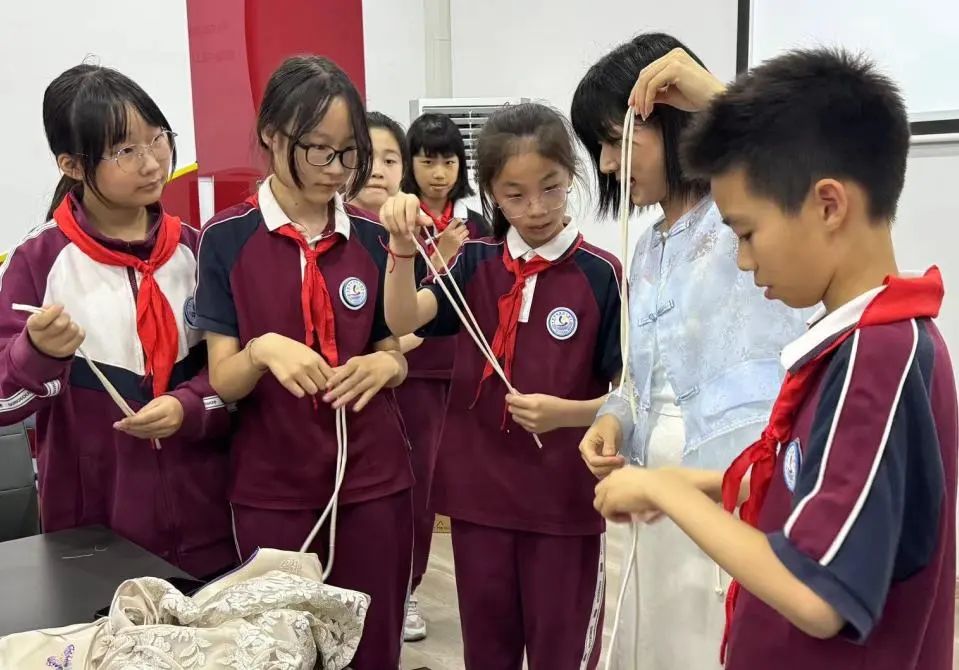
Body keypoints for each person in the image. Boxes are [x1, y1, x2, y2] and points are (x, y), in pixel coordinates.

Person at [594, 47, 956, 670]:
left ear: (828, 205)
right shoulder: (862, 340)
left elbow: (817, 592)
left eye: (745, 233)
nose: (742, 259)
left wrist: (665, 490)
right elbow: (806, 484)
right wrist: (702, 483)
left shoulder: (878, 356)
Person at [571, 33, 807, 668]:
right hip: (655, 487)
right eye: (602, 147)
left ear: (673, 123)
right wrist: (613, 416)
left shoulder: (748, 218)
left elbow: (809, 159)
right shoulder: (646, 249)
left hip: (737, 474)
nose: (611, 164)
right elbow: (639, 372)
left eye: (619, 139)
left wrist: (719, 99)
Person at [190, 56, 412, 669]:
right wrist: (262, 350)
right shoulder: (226, 238)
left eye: (348, 153)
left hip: (372, 480)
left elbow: (394, 348)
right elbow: (223, 379)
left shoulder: (370, 237)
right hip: (273, 486)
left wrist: (386, 367)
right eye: (317, 149)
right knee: (276, 651)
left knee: (373, 646)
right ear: (270, 134)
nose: (335, 170)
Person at [381, 102, 621, 670]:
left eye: (551, 189)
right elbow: (399, 320)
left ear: (572, 179)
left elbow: (627, 397)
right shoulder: (474, 263)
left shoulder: (601, 273)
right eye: (514, 195)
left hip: (565, 503)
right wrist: (399, 249)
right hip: (479, 498)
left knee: (560, 654)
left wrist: (568, 413)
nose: (534, 208)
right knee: (486, 653)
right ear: (489, 191)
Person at [0, 63, 235, 577]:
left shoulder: (200, 251)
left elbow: (237, 381)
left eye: (159, 139)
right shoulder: (38, 262)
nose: (153, 163)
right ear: (73, 164)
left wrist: (189, 407)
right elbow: (3, 404)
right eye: (126, 151)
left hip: (210, 526)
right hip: (93, 538)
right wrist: (36, 354)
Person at [395, 112, 492, 642]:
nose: (438, 171)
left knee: (463, 486)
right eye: (427, 159)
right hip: (413, 374)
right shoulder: (401, 224)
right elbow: (402, 306)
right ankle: (407, 589)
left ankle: (478, 589)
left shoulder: (479, 226)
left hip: (469, 374)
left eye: (448, 160)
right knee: (418, 490)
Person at [347, 111, 407, 217]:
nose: (377, 172)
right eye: (364, 159)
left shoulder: (421, 225)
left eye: (389, 161)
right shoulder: (321, 225)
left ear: (404, 171)